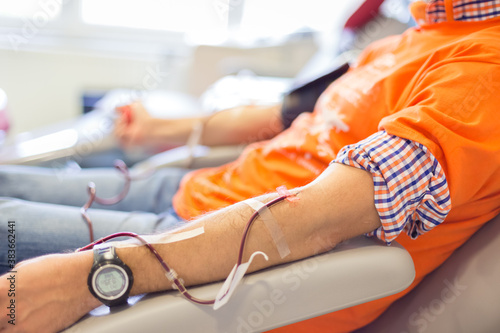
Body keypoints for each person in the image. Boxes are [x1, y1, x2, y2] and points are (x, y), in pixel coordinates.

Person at [1, 0, 500, 332]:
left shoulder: (483, 76)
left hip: (209, 248)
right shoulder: (412, 38)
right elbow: (279, 117)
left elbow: (314, 220)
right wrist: (160, 130)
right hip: (196, 191)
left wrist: (85, 276)